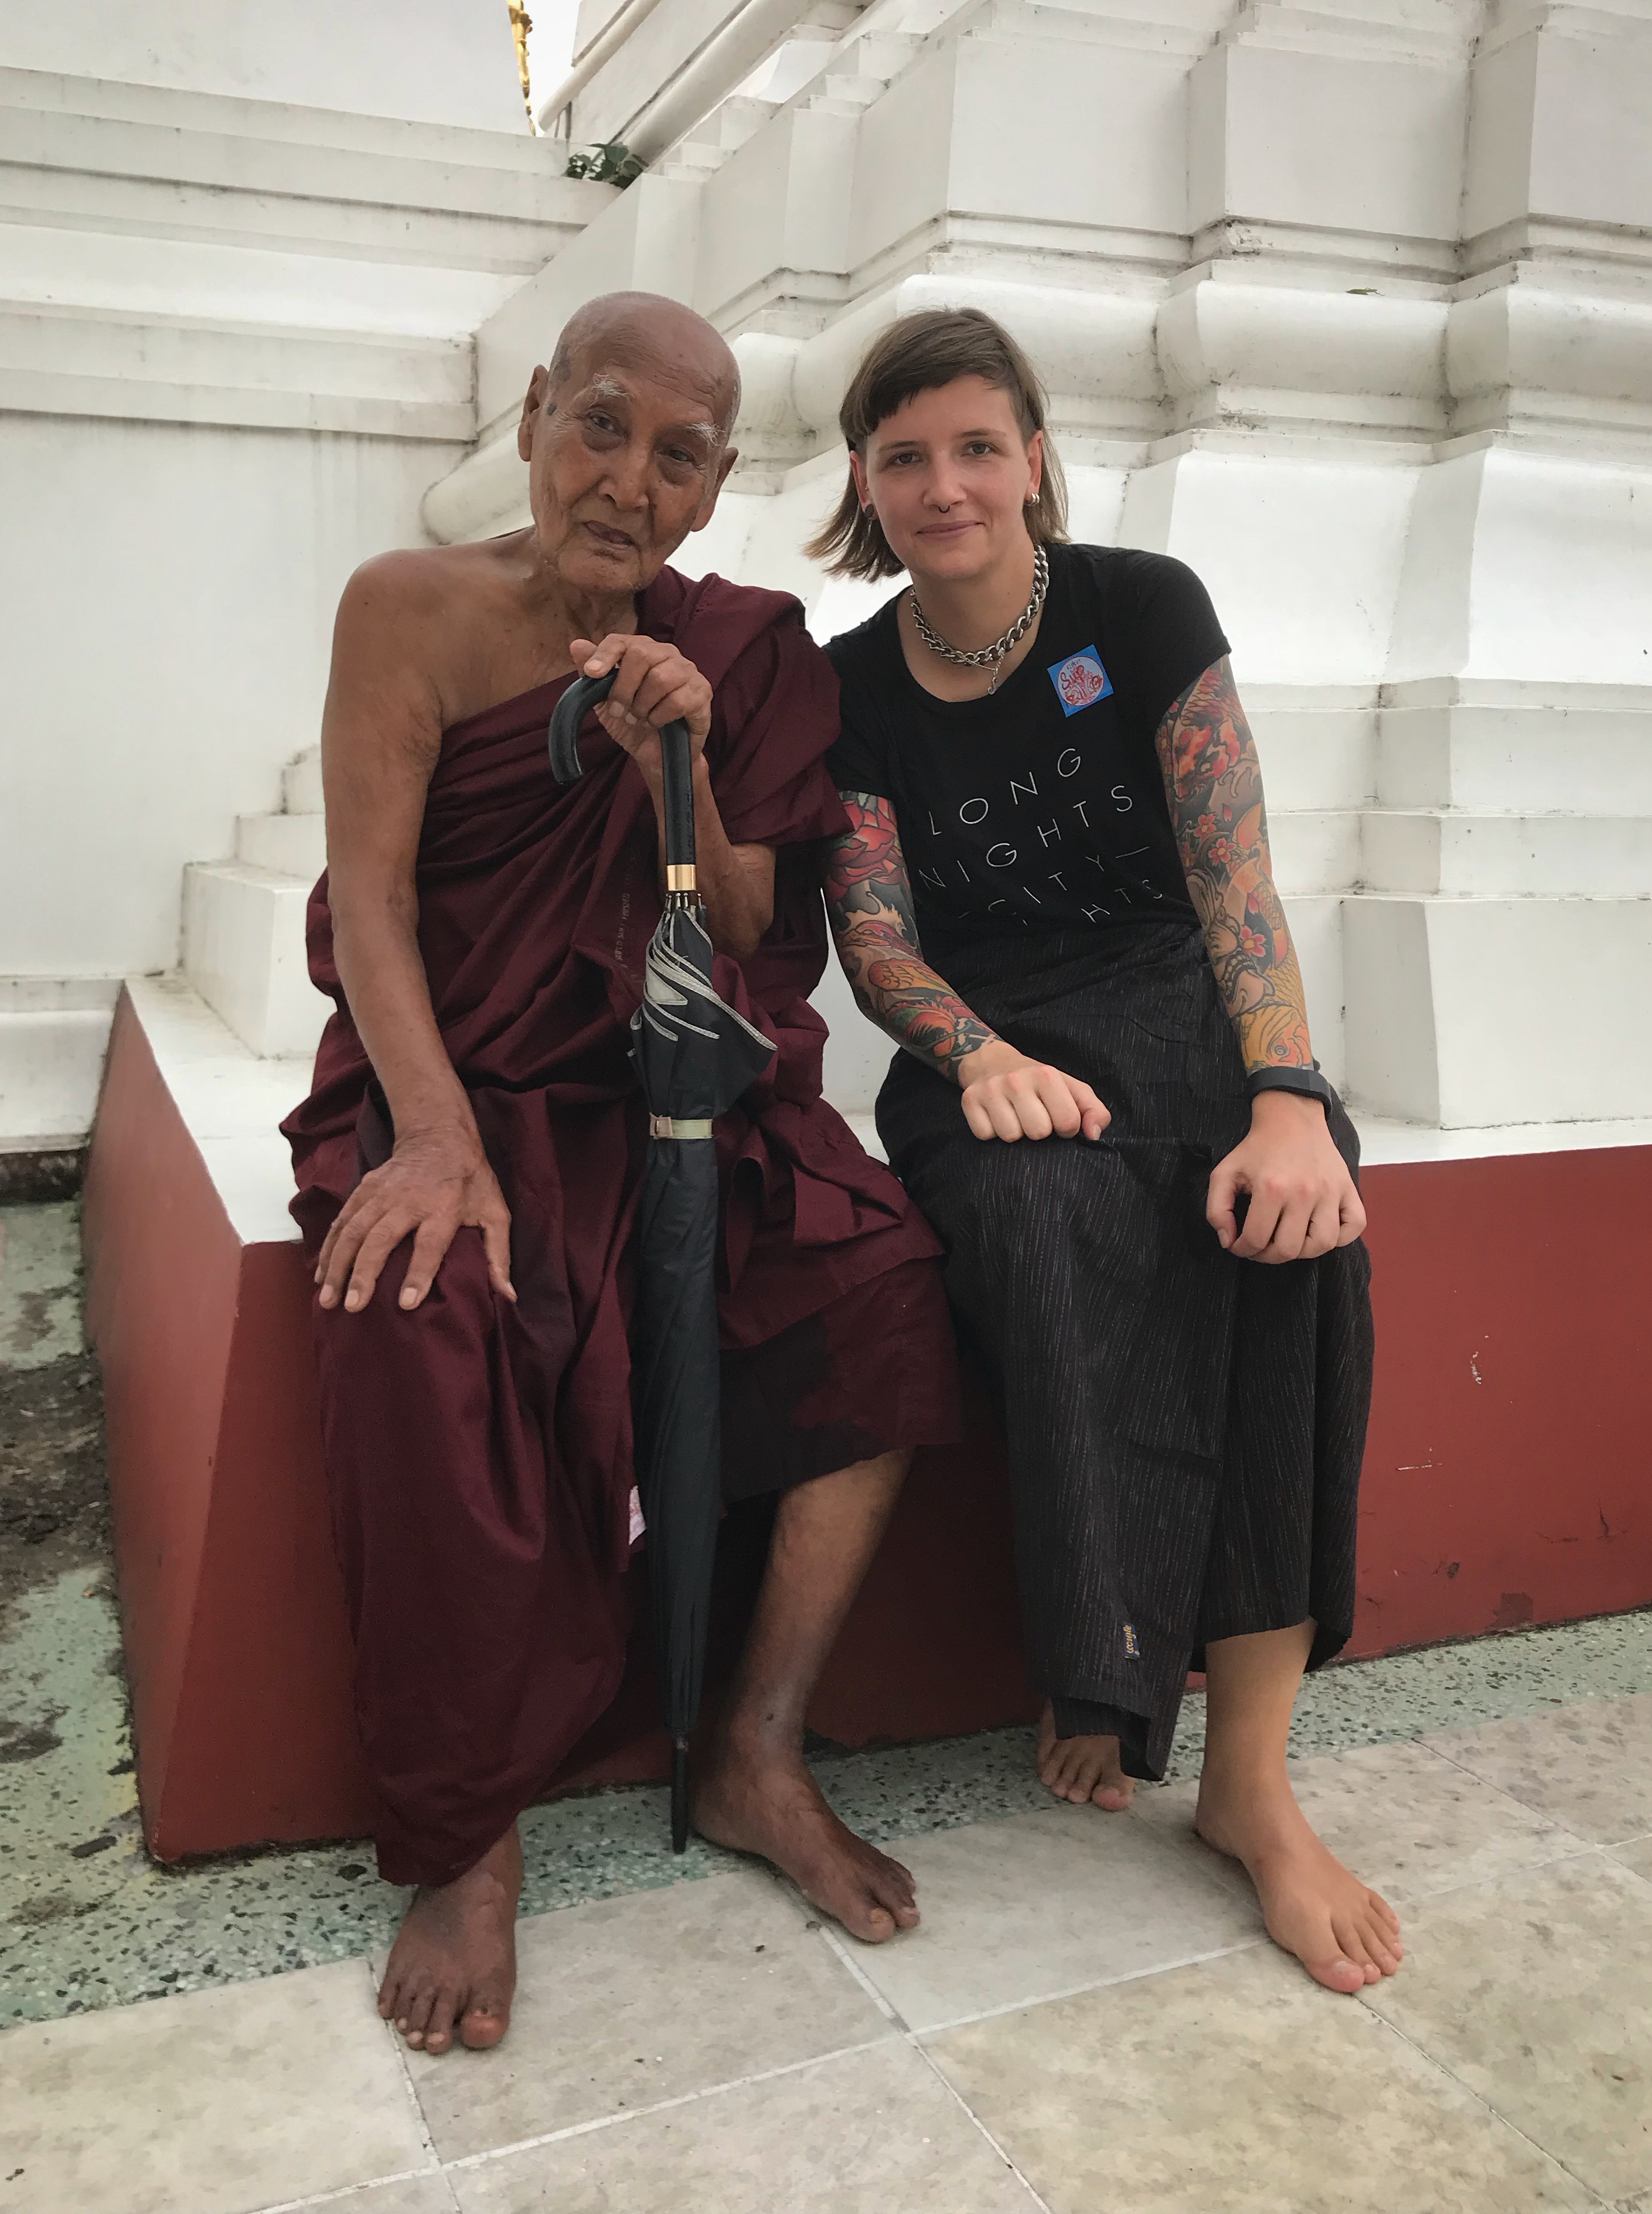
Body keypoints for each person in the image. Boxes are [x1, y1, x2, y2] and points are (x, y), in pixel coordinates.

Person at [282, 291, 962, 2058]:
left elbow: (743, 920)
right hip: (460, 1080)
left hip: (664, 1086)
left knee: (883, 1282)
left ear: (715, 486)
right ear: (533, 416)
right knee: (416, 1304)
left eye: (677, 457)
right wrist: (436, 1136)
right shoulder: (405, 609)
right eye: (600, 425)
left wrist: (686, 761)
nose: (627, 483)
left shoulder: (737, 651)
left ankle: (756, 1746)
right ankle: (470, 1836)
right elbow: (373, 902)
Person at [815, 308, 1402, 1995]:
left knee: (1292, 1224)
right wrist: (979, 1058)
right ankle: (1110, 1657)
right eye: (907, 457)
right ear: (864, 480)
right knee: (1042, 1216)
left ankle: (1247, 1779)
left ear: (1035, 456)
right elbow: (876, 933)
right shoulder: (851, 685)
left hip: (1182, 1007)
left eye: (977, 447)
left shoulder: (1139, 610)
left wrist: (1286, 1093)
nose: (947, 486)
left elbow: (1233, 877)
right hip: (985, 1041)